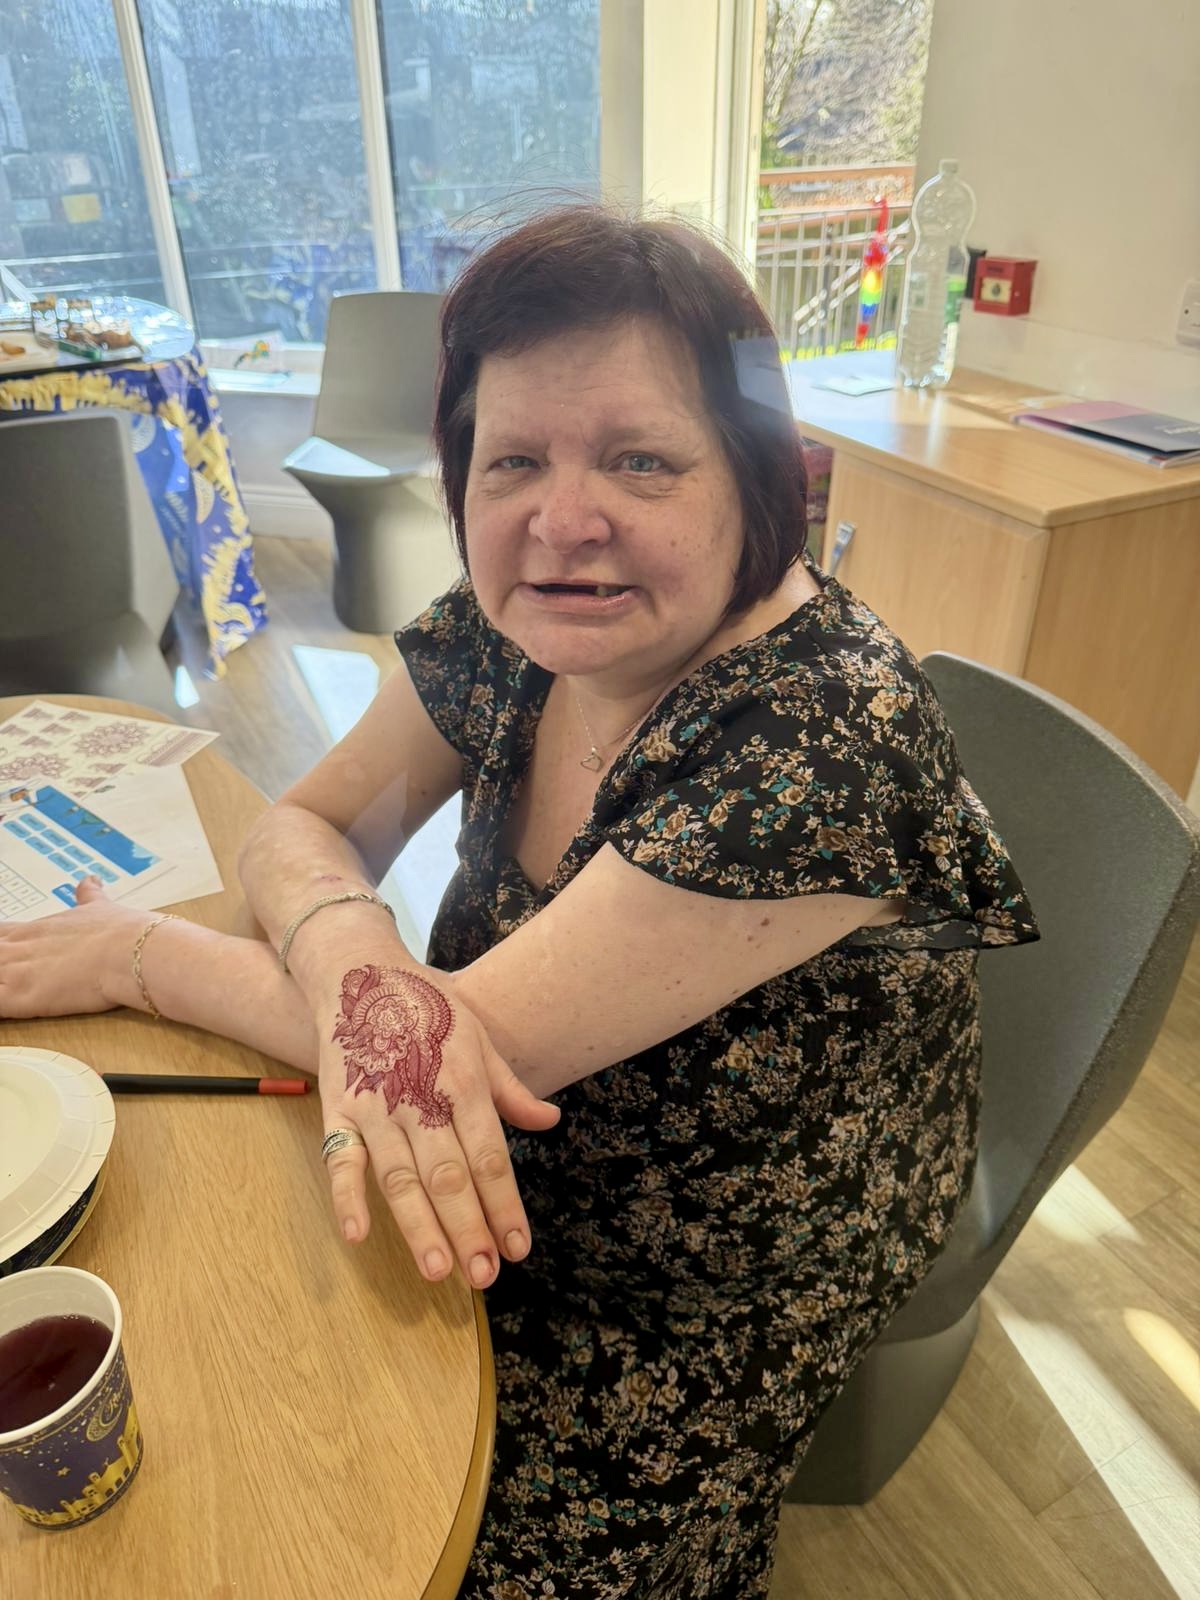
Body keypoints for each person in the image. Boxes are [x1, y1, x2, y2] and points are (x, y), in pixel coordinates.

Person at [0, 205, 1038, 1597]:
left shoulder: (824, 736)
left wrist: (139, 957)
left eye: (641, 460)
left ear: (756, 479)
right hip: (488, 1172)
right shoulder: (523, 623)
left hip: (696, 1279)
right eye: (514, 461)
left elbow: (457, 1053)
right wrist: (354, 948)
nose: (562, 521)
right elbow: (307, 827)